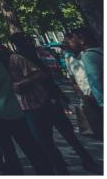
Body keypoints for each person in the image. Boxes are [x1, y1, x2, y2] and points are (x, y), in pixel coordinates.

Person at [9, 32, 98, 174]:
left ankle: (62, 168)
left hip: (35, 104)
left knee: (47, 142)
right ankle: (85, 162)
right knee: (67, 137)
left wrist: (23, 84)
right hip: (49, 100)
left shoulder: (16, 58)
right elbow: (53, 74)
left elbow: (49, 75)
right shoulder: (39, 54)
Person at [0, 34, 52, 174]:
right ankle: (45, 171)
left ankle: (15, 172)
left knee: (7, 149)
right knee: (29, 145)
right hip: (14, 108)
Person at [67, 26, 103, 139]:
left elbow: (96, 80)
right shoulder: (100, 50)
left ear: (82, 40)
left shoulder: (87, 56)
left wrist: (97, 101)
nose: (70, 42)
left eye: (73, 39)